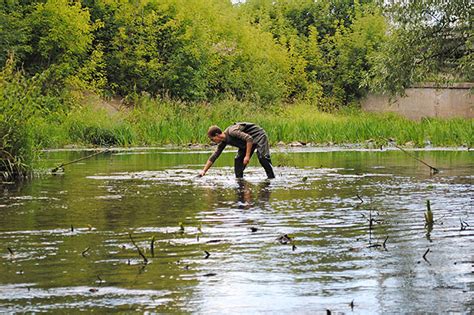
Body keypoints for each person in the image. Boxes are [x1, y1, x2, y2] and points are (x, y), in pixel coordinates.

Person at [199, 122, 275, 179]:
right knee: (238, 160)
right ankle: (240, 181)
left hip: (258, 136)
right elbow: (214, 156)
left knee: (262, 158)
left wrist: (247, 156)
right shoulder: (223, 142)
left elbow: (249, 138)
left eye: (212, 139)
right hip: (246, 144)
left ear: (217, 134)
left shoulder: (232, 131)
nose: (213, 141)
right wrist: (204, 171)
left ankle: (271, 178)